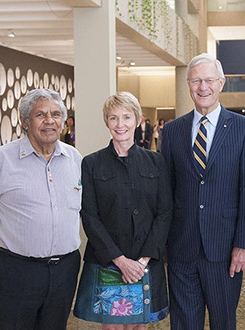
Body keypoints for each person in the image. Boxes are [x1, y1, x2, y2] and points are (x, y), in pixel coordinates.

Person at [161, 53, 245, 330]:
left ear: (221, 83)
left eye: (208, 80)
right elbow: (166, 192)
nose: (202, 87)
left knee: (223, 322)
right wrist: (163, 245)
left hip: (226, 249)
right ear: (188, 84)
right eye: (196, 81)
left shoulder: (244, 129)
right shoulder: (172, 131)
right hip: (181, 248)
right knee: (183, 323)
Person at [0, 88, 82, 330]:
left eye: (55, 114)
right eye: (40, 115)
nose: (49, 121)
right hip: (15, 273)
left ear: (63, 120)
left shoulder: (75, 159)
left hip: (63, 272)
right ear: (24, 120)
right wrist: (10, 261)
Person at [73, 92, 172, 329]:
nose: (120, 125)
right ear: (106, 122)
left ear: (137, 120)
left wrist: (142, 260)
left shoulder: (156, 162)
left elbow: (165, 212)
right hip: (109, 261)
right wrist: (120, 260)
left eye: (127, 117)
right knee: (112, 326)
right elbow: (89, 215)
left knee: (140, 325)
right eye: (113, 118)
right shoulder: (91, 163)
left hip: (146, 262)